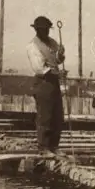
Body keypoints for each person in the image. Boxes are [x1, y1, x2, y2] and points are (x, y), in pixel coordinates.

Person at [25, 16, 66, 153]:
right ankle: (44, 147)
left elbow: (57, 60)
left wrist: (60, 55)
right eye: (43, 30)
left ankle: (54, 146)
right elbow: (40, 68)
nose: (46, 32)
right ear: (37, 30)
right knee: (45, 116)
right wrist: (58, 74)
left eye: (47, 30)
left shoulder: (52, 43)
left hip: (54, 83)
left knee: (57, 116)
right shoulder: (33, 46)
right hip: (43, 83)